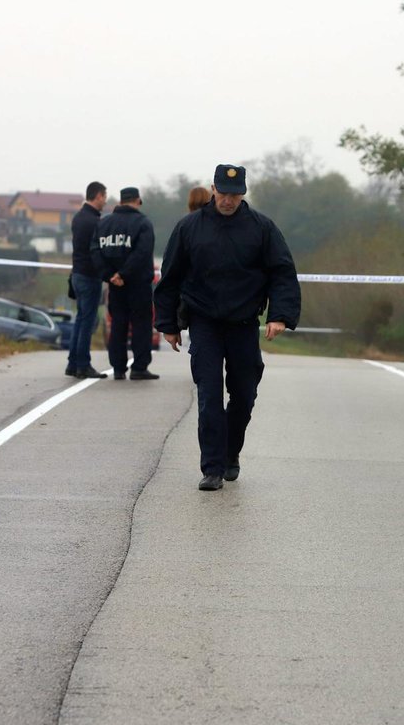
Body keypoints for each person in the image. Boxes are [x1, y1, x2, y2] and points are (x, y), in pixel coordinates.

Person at [154, 164, 301, 491]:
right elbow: (171, 277)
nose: (229, 200)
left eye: (236, 195)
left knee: (244, 394)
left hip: (243, 321)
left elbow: (282, 272)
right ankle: (212, 468)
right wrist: (168, 324)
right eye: (224, 193)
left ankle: (231, 452)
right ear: (213, 190)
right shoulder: (190, 227)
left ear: (243, 194)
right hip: (204, 321)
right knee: (209, 394)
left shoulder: (261, 228)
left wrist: (279, 315)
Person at [95, 186, 157, 380]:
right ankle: (139, 367)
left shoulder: (104, 225)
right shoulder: (143, 223)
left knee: (118, 325)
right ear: (138, 201)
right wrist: (124, 274)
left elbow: (95, 252)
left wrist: (111, 275)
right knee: (141, 325)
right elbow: (142, 253)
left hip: (115, 286)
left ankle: (118, 368)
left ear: (120, 202)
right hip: (138, 284)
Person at [66, 181, 108, 378]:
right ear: (98, 196)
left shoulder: (78, 218)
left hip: (77, 273)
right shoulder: (94, 221)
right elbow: (95, 251)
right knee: (87, 322)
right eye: (104, 197)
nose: (105, 201)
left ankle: (73, 363)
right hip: (89, 275)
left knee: (80, 319)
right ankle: (83, 364)